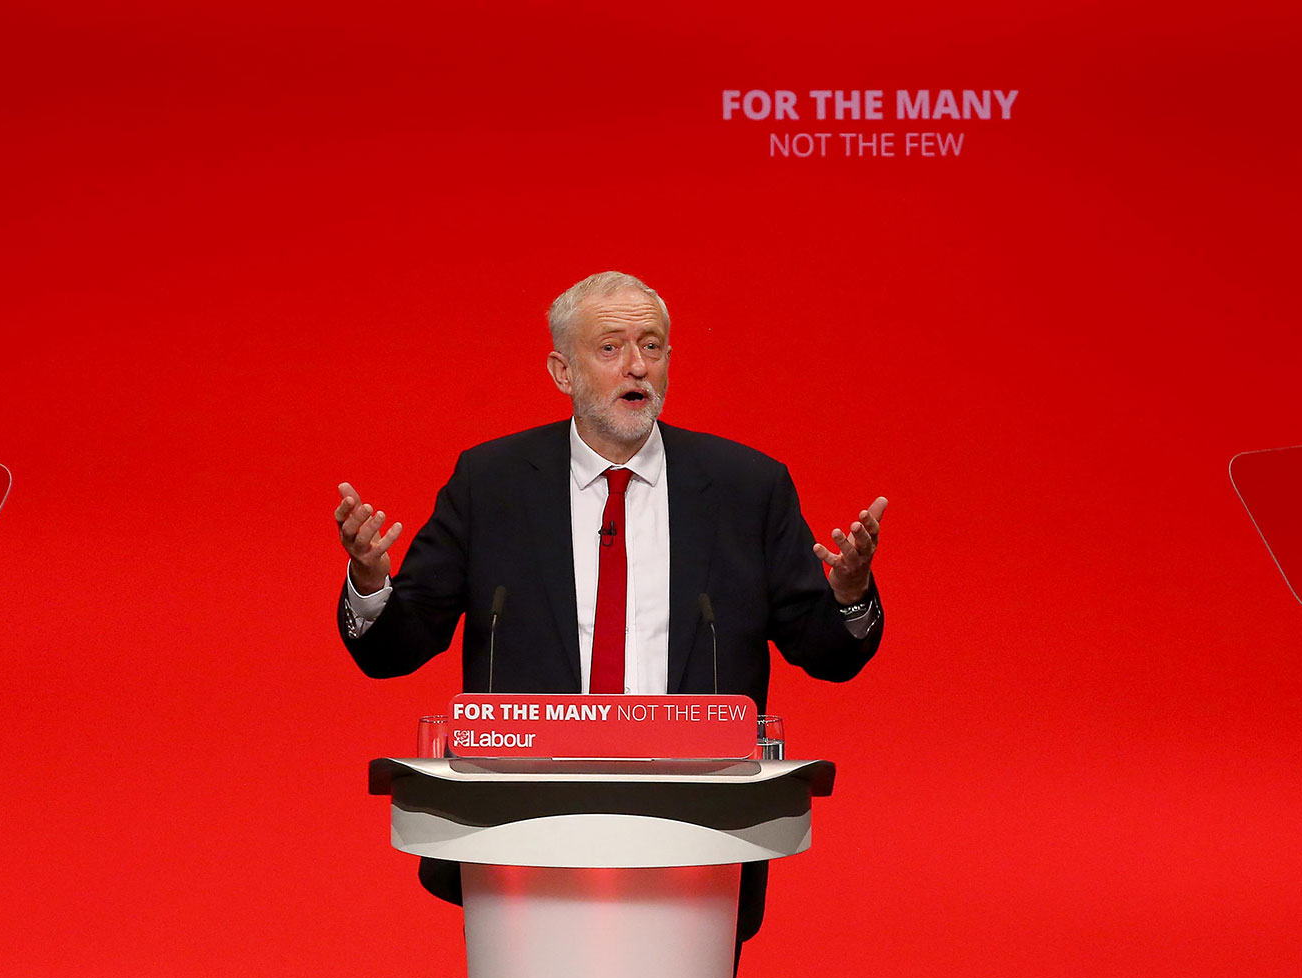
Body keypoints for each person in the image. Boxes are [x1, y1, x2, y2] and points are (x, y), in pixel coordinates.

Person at [332, 270, 887, 943]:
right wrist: (369, 580)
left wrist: (850, 594)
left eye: (652, 347)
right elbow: (400, 645)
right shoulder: (493, 483)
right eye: (612, 348)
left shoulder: (747, 487)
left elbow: (822, 650)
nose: (637, 366)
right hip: (524, 827)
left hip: (696, 831)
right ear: (562, 370)